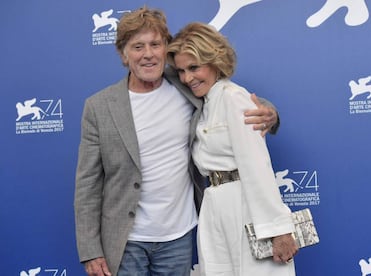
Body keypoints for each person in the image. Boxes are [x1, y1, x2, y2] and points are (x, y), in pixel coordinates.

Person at [74, 7, 279, 276]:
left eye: (155, 44)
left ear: (165, 48)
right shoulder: (99, 106)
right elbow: (87, 184)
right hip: (125, 240)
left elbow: (233, 98)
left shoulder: (185, 84)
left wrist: (270, 114)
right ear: (124, 54)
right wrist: (91, 250)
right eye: (138, 46)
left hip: (178, 236)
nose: (148, 54)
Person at [166, 22, 298, 275]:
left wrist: (278, 230)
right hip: (214, 206)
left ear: (215, 61)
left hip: (246, 205)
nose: (187, 78)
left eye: (194, 67)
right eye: (181, 70)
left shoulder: (233, 98)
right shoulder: (203, 103)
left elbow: (256, 165)